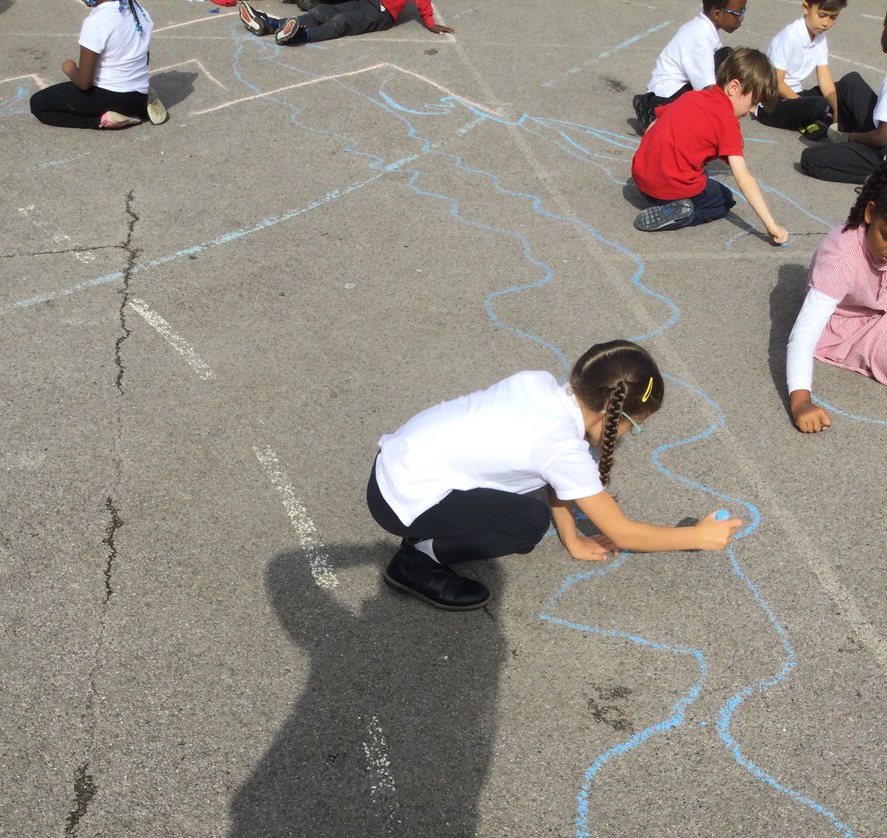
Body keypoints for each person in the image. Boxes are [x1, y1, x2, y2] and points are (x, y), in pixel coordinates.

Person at [366, 341, 742, 611]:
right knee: (526, 524)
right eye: (635, 427)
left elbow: (555, 477)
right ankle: (417, 560)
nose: (630, 436)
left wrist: (572, 537)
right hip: (402, 501)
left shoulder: (538, 384)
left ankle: (429, 531)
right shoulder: (563, 447)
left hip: (393, 463)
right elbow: (624, 533)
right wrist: (697, 536)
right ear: (615, 417)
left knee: (518, 505)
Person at [631, 47, 789, 242]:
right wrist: (771, 225)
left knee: (697, 174)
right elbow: (744, 179)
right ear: (733, 87)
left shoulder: (692, 96)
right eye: (752, 102)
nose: (752, 110)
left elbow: (653, 125)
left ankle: (672, 199)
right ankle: (683, 214)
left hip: (641, 180)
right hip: (666, 191)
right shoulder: (727, 123)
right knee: (722, 198)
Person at [786, 163, 887, 432]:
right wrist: (800, 401)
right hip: (852, 327)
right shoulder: (841, 258)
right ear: (870, 212)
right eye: (886, 236)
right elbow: (805, 332)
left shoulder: (881, 242)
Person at [30, 0, 166, 130]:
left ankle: (102, 121)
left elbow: (84, 83)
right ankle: (142, 108)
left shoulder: (96, 22)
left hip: (113, 97)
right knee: (127, 96)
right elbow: (145, 60)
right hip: (139, 95)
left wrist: (69, 68)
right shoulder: (138, 10)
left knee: (38, 104)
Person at [632, 0, 747, 138]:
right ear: (717, 13)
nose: (741, 19)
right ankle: (651, 111)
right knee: (694, 126)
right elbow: (707, 90)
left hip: (680, 88)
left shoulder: (703, 27)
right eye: (738, 13)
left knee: (729, 59)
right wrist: (729, 123)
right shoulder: (700, 37)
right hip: (666, 95)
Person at [800, 11, 887, 183]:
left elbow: (882, 137)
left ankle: (878, 178)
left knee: (810, 159)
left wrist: (852, 137)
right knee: (850, 82)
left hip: (883, 152)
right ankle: (847, 140)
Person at [755, 0, 846, 137]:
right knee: (820, 104)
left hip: (797, 95)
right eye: (822, 15)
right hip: (773, 104)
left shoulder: (820, 37)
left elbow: (825, 81)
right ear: (806, 7)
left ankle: (819, 121)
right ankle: (816, 121)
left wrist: (837, 112)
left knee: (844, 89)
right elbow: (776, 83)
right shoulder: (790, 36)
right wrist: (802, 104)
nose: (826, 23)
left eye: (833, 17)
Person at [237, 0, 454, 47]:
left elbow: (423, 2)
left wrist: (430, 22)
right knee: (322, 11)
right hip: (367, 1)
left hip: (383, 14)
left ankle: (298, 36)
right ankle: (270, 24)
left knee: (342, 21)